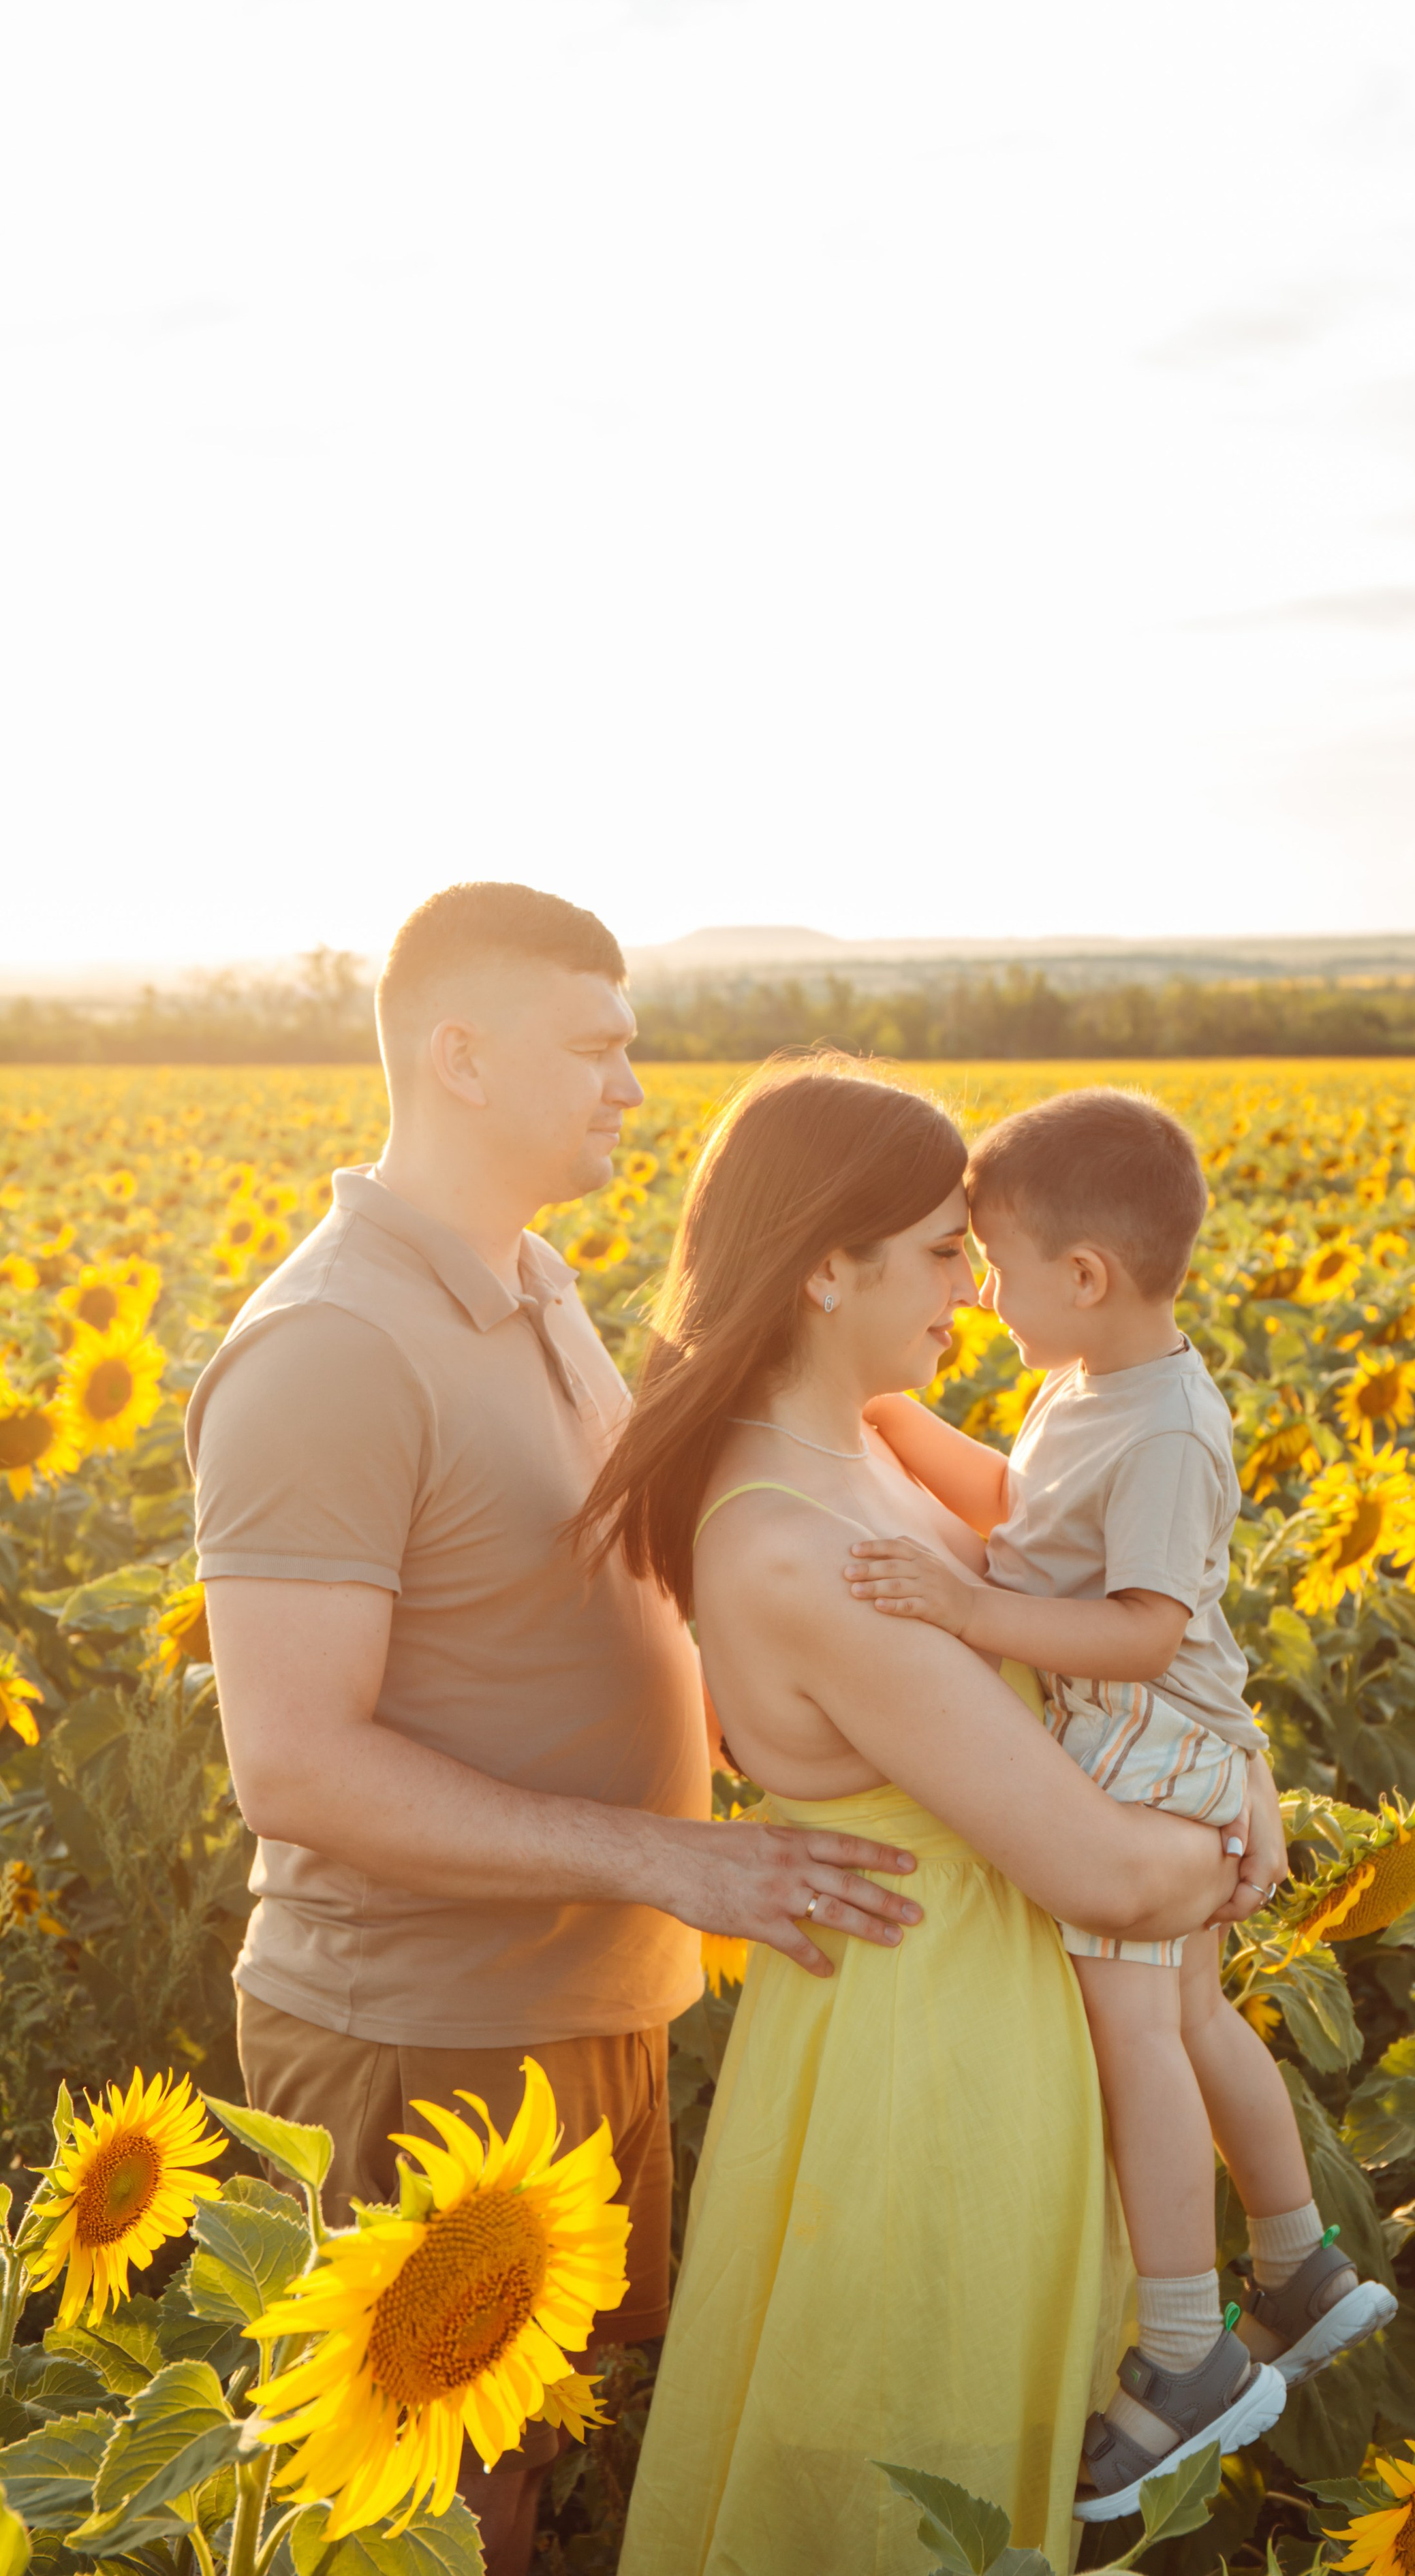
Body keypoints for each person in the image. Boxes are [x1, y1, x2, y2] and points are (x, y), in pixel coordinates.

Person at [188, 885, 926, 2575]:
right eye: (596, 1048)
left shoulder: (530, 1282)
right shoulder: (328, 1348)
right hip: (428, 2020)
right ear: (458, 1056)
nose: (630, 1089)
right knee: (419, 2514)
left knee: (528, 2463)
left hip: (588, 1988)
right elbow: (293, 1762)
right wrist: (670, 1856)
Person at [586, 1058, 1288, 2575]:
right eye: (936, 1253)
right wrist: (1232, 1836)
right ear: (823, 1264)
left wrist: (1238, 1762)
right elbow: (1094, 1861)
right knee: (918, 2487)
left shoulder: (871, 1446)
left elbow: (1120, 1621)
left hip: (986, 2023)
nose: (971, 1293)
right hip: (927, 2061)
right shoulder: (795, 1544)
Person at [844, 1088, 1397, 2522]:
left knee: (1136, 2035)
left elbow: (1142, 1627)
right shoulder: (1087, 1390)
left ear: (1081, 1278)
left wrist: (963, 1613)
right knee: (1197, 2021)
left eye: (993, 1265)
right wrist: (886, 1416)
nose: (976, 1291)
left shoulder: (1159, 1431)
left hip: (1149, 1741)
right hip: (1173, 1744)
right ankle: (1298, 2265)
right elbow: (1024, 1528)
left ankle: (1182, 2352)